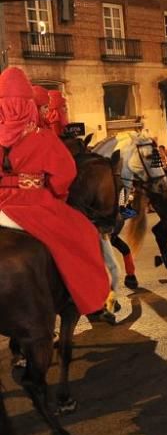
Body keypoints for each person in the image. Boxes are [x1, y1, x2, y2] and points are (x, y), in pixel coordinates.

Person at [0, 68, 113, 324]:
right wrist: (55, 196)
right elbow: (64, 175)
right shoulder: (43, 137)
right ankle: (82, 298)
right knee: (84, 232)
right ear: (27, 104)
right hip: (34, 203)